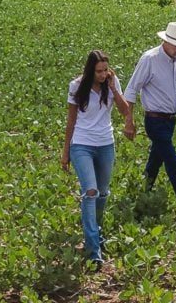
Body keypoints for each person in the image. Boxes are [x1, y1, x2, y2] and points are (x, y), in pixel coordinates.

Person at [123, 22, 176, 200]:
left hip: (170, 121)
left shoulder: (175, 59)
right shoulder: (150, 59)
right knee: (173, 162)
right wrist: (128, 121)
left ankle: (144, 192)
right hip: (155, 121)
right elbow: (131, 90)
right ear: (166, 41)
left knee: (156, 159)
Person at [61, 50, 129, 266]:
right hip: (81, 144)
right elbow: (71, 120)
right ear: (90, 70)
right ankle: (93, 249)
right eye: (98, 71)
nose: (102, 74)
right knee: (90, 192)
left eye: (105, 70)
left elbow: (125, 111)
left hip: (105, 144)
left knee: (102, 193)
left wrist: (112, 89)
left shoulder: (112, 82)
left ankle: (96, 230)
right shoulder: (76, 86)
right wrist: (66, 152)